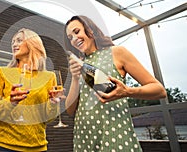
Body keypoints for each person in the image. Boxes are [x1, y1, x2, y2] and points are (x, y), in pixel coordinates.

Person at [64, 15, 167, 152]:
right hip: (84, 139)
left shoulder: (117, 52)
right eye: (70, 37)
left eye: (77, 32)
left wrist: (127, 92)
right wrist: (75, 78)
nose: (74, 39)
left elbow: (159, 90)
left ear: (90, 29)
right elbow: (70, 110)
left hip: (114, 135)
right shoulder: (79, 65)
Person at [0, 28, 62, 152]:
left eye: (19, 40)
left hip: (38, 147)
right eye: (13, 42)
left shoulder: (49, 77)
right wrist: (11, 102)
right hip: (4, 146)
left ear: (33, 44)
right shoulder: (2, 73)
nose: (14, 44)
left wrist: (53, 104)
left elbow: (48, 118)